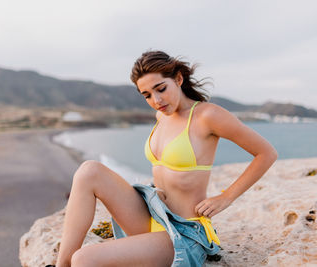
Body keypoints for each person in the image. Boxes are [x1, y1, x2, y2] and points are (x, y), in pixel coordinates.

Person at [55, 50, 277, 267]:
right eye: (147, 95)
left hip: (184, 233)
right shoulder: (161, 114)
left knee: (84, 259)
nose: (156, 100)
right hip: (152, 216)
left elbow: (266, 153)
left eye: (161, 89)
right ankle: (60, 264)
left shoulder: (208, 116)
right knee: (89, 170)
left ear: (178, 79)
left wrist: (226, 197)